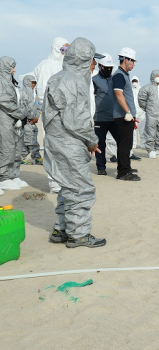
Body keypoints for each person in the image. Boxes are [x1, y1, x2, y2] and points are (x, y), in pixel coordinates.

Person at [42, 37, 106, 248]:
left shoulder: (58, 78)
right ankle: (78, 235)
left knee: (67, 186)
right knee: (81, 189)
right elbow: (77, 121)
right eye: (91, 60)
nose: (94, 64)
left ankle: (61, 229)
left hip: (56, 141)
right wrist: (92, 141)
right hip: (69, 142)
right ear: (83, 59)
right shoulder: (74, 81)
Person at [33, 37, 69, 193]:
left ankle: (62, 179)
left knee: (64, 148)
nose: (65, 53)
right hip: (52, 113)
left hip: (65, 114)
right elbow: (42, 94)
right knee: (52, 148)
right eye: (63, 50)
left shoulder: (65, 67)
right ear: (56, 49)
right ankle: (54, 182)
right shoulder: (45, 66)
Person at [112, 47, 140, 181]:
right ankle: (123, 172)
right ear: (126, 60)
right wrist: (128, 112)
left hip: (127, 116)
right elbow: (118, 94)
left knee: (126, 144)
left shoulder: (124, 75)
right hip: (123, 116)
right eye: (133, 61)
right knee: (124, 144)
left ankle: (125, 167)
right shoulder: (118, 75)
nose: (133, 64)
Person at [0, 57, 27, 192]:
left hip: (11, 120)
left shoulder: (9, 82)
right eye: (12, 67)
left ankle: (11, 175)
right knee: (6, 148)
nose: (14, 70)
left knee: (14, 148)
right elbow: (5, 101)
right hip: (4, 119)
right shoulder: (2, 82)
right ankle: (3, 177)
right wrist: (21, 113)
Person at [92, 53, 120, 176]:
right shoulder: (94, 81)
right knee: (100, 144)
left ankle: (123, 166)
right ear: (100, 66)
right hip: (100, 118)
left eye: (110, 68)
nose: (108, 70)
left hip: (115, 118)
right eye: (106, 68)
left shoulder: (115, 80)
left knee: (121, 141)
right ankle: (101, 167)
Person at [138, 70, 159, 158]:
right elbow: (141, 100)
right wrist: (148, 108)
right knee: (150, 132)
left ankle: (158, 149)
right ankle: (151, 150)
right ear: (152, 77)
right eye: (156, 76)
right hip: (151, 115)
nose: (158, 77)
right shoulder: (147, 88)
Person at [20, 74, 42, 165]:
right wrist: (31, 118)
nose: (34, 84)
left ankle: (20, 158)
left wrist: (36, 117)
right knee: (31, 141)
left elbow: (38, 106)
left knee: (28, 141)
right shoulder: (23, 94)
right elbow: (24, 108)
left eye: (35, 83)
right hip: (27, 123)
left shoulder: (34, 95)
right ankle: (36, 157)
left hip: (33, 122)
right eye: (32, 82)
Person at [131, 76, 146, 150]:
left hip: (141, 113)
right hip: (133, 113)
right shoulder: (129, 90)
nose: (134, 83)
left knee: (142, 129)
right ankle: (134, 143)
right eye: (133, 81)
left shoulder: (141, 90)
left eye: (135, 81)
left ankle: (143, 143)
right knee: (133, 130)